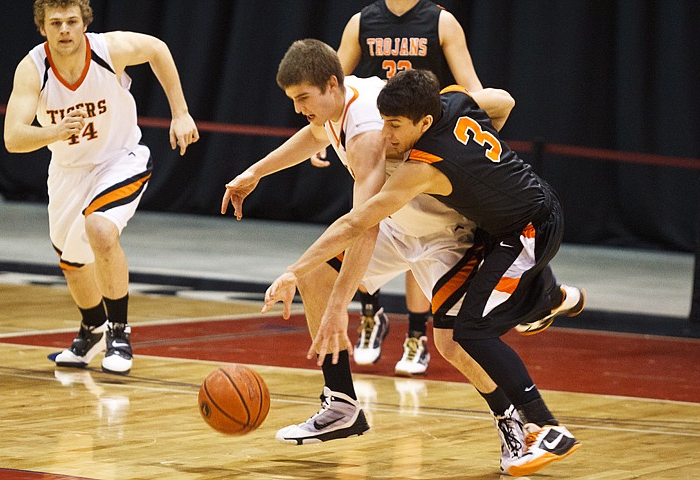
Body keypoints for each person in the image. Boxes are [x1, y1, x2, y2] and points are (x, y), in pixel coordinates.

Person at [223, 39, 526, 473]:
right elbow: (312, 136)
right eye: (292, 100)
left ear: (331, 84)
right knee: (314, 276)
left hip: (444, 233)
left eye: (303, 98)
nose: (298, 108)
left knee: (453, 345)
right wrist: (255, 172)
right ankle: (341, 403)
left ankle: (512, 420)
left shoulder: (366, 130)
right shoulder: (339, 102)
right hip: (401, 227)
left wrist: (337, 307)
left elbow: (362, 225)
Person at [263, 69, 585, 476]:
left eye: (395, 126)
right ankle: (341, 402)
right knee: (466, 330)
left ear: (425, 123)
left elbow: (354, 225)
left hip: (523, 227)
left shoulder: (424, 167)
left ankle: (548, 422)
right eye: (383, 122)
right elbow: (503, 100)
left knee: (466, 335)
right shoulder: (453, 100)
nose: (385, 134)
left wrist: (291, 271)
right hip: (511, 219)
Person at [3, 0, 199, 375]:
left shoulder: (109, 50)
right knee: (73, 264)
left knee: (100, 229)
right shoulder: (32, 69)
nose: (64, 30)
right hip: (68, 171)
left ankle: (119, 333)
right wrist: (54, 132)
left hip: (120, 159)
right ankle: (91, 327)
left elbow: (157, 48)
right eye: (55, 23)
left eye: (72, 21)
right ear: (42, 28)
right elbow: (13, 137)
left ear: (84, 24)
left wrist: (181, 112)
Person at [335, 0, 484, 376]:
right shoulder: (361, 22)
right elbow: (332, 87)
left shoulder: (442, 21)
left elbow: (472, 88)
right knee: (366, 226)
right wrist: (322, 137)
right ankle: (371, 315)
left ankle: (416, 333)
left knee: (416, 236)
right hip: (376, 141)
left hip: (422, 144)